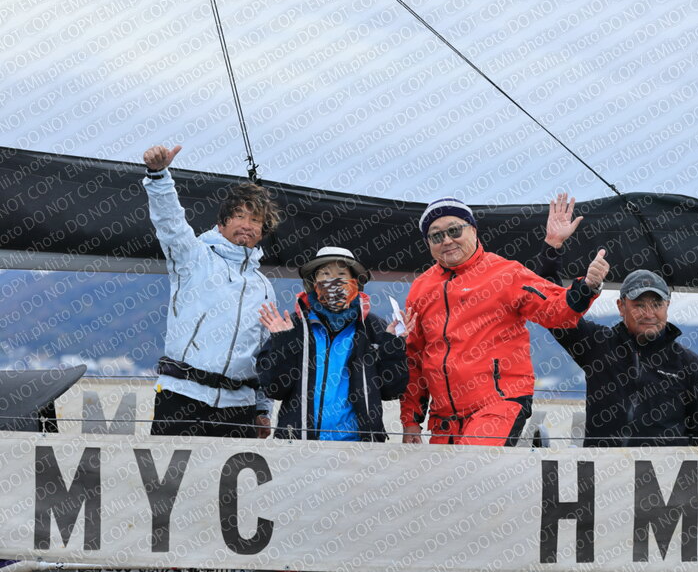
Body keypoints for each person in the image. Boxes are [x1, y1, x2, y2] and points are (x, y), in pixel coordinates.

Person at [400, 197, 608, 446]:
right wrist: (410, 420)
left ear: (473, 230)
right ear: (428, 243)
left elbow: (556, 311)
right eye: (436, 236)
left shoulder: (506, 274)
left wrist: (588, 286)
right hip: (445, 420)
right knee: (449, 472)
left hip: (499, 403)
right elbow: (414, 359)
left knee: (471, 461)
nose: (446, 240)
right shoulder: (420, 289)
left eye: (454, 231)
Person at [540, 193, 698, 447]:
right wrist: (553, 246)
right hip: (602, 469)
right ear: (621, 306)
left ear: (667, 306)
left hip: (663, 471)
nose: (649, 313)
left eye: (657, 304)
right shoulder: (597, 345)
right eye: (638, 304)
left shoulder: (690, 365)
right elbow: (551, 309)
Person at [143, 144, 281, 438]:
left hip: (240, 409)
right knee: (170, 471)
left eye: (255, 220)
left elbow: (264, 353)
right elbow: (170, 223)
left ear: (262, 231)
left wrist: (262, 410)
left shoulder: (265, 288)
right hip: (182, 398)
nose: (247, 225)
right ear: (221, 224)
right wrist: (159, 176)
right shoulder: (192, 257)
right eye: (239, 216)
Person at [256, 247, 412, 441]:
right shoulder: (292, 326)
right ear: (314, 283)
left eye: (341, 274)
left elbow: (392, 390)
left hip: (359, 447)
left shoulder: (373, 327)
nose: (333, 281)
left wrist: (393, 346)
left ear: (355, 282)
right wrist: (282, 343)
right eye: (325, 274)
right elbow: (274, 389)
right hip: (298, 446)